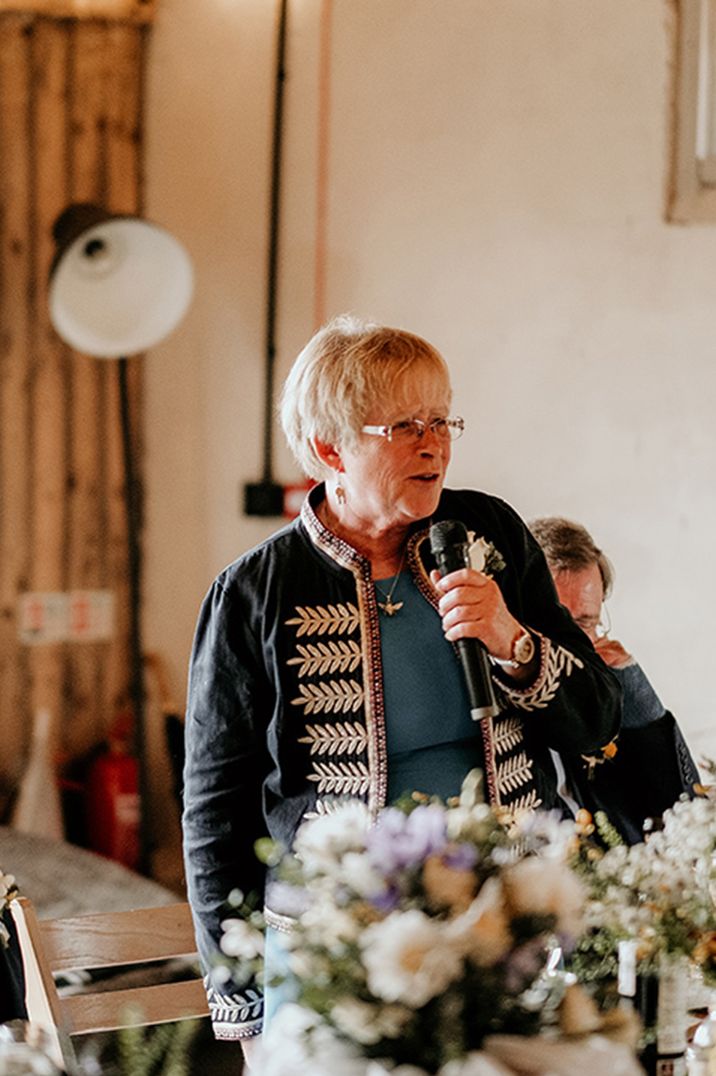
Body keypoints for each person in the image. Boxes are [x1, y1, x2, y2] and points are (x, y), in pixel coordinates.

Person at [182, 316, 621, 1064]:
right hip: (337, 943)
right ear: (330, 450)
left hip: (502, 919)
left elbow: (595, 719)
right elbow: (215, 807)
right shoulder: (254, 592)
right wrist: (243, 1006)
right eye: (406, 425)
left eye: (443, 419)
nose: (436, 443)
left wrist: (512, 639)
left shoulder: (490, 535)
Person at [529, 516, 700, 844]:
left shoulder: (608, 688)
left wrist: (635, 690)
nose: (574, 642)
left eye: (585, 623)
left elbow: (685, 808)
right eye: (557, 622)